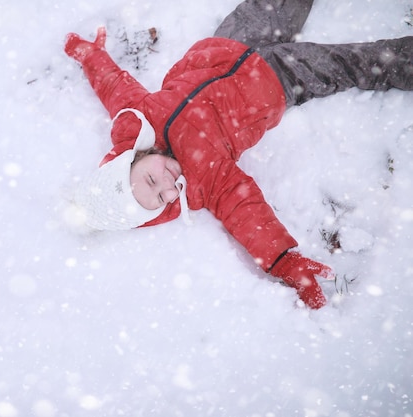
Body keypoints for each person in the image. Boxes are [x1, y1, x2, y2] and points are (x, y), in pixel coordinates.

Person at [63, 0, 413, 309]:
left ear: (132, 160)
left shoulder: (137, 118)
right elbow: (243, 210)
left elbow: (112, 85)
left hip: (224, 45)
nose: (168, 185)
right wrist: (282, 261)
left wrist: (88, 55)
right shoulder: (203, 180)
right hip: (279, 79)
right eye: (161, 198)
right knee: (352, 63)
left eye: (151, 179)